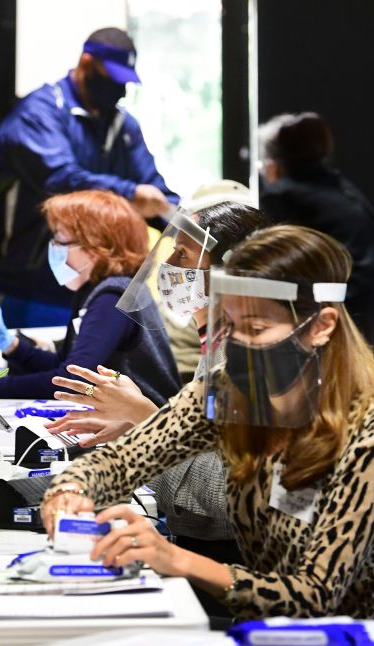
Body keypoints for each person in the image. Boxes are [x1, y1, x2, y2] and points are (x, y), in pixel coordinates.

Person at [40, 225, 374, 622]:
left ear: (322, 327)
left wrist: (174, 559)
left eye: (256, 330)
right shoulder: (231, 391)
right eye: (229, 326)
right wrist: (70, 489)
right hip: (255, 626)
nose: (235, 346)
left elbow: (314, 596)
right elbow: (125, 459)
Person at [45, 198, 264, 621]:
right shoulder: (218, 348)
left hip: (229, 578)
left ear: (230, 274)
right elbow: (213, 448)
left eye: (182, 256)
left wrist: (146, 420)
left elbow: (220, 501)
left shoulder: (251, 360)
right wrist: (139, 426)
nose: (169, 269)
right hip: (207, 560)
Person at [0, 27, 179, 328]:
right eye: (113, 79)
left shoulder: (124, 127)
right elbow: (62, 181)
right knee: (18, 365)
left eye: (125, 82)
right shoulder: (38, 114)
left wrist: (188, 224)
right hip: (25, 282)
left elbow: (155, 193)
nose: (119, 90)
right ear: (86, 63)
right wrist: (132, 196)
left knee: (76, 370)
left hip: (94, 286)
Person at [258, 112, 374, 418]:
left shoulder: (283, 193)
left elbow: (277, 262)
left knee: (359, 412)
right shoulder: (340, 185)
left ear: (274, 163)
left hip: (367, 304)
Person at [0, 190, 180, 404]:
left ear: (95, 245)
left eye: (58, 237)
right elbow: (66, 366)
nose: (53, 246)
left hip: (145, 427)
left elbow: (72, 380)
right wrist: (11, 346)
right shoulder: (97, 289)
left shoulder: (112, 298)